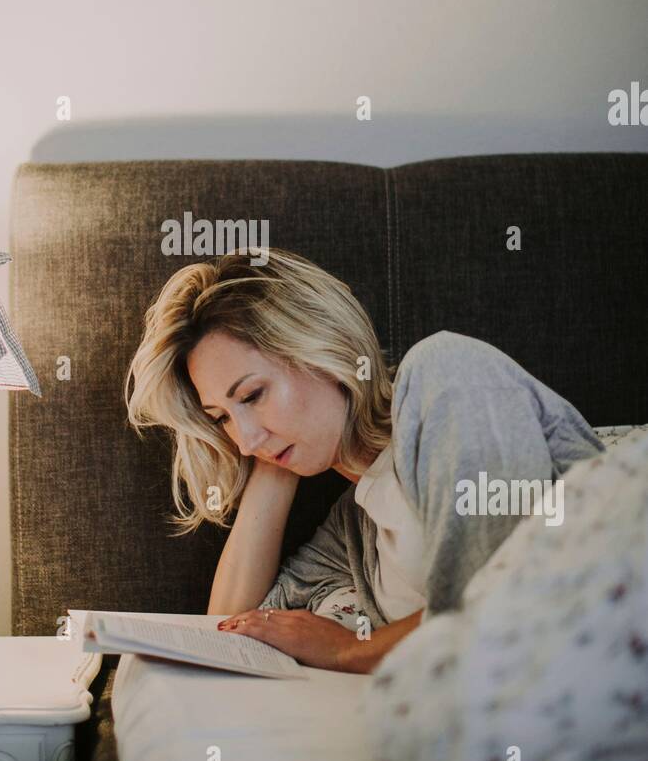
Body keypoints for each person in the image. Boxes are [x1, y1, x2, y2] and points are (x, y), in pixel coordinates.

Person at [124, 247, 604, 674]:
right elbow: (226, 635)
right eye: (222, 417)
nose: (243, 439)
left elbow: (504, 598)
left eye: (253, 393)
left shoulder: (445, 376)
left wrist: (352, 650)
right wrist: (271, 467)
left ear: (323, 348)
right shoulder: (353, 530)